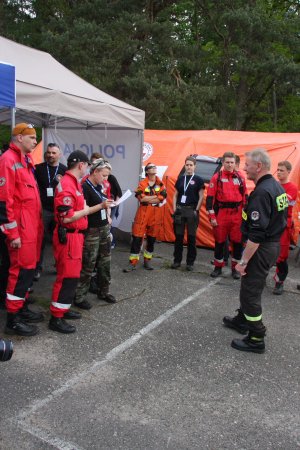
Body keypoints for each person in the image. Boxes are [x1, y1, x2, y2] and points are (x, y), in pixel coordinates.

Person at [223, 148, 288, 353]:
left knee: (251, 292)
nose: (244, 168)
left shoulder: (262, 191)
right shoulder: (275, 186)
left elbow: (257, 234)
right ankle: (242, 320)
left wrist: (242, 262)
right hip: (270, 245)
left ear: (258, 166)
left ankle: (256, 336)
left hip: (262, 247)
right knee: (248, 286)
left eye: (247, 164)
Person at [0, 123, 44, 336]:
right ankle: (13, 320)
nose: (35, 141)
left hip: (31, 228)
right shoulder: (8, 160)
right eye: (32, 137)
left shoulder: (25, 160)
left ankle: (22, 308)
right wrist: (12, 233)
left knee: (28, 272)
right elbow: (4, 201)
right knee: (19, 273)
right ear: (19, 138)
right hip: (21, 230)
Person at [49, 150, 93, 334]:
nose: (87, 169)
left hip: (75, 236)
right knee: (66, 276)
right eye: (87, 165)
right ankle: (56, 318)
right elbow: (66, 217)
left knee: (72, 275)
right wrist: (91, 210)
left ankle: (63, 308)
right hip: (68, 236)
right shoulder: (67, 183)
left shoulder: (74, 183)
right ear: (81, 165)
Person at [74, 159, 116, 310]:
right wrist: (102, 205)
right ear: (96, 172)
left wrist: (108, 207)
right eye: (104, 175)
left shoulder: (100, 186)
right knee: (88, 263)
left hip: (103, 227)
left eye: (107, 176)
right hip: (91, 230)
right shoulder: (85, 187)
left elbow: (104, 203)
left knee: (105, 261)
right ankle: (79, 296)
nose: (106, 179)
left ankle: (103, 291)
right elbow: (83, 210)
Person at [206, 151, 247, 279]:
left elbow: (245, 198)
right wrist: (212, 217)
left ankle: (235, 269)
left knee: (238, 243)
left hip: (237, 215)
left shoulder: (240, 177)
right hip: (222, 215)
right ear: (223, 163)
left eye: (232, 162)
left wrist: (245, 218)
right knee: (219, 242)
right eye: (227, 162)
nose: (230, 165)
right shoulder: (216, 178)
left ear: (235, 163)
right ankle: (218, 267)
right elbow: (209, 200)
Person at [123, 162, 167, 272]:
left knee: (151, 239)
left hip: (155, 214)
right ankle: (132, 263)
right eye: (152, 167)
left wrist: (150, 198)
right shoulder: (142, 184)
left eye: (155, 167)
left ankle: (147, 261)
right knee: (137, 238)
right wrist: (155, 197)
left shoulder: (161, 183)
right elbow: (140, 198)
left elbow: (162, 197)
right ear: (147, 171)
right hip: (143, 213)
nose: (154, 168)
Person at [34, 143, 67, 280]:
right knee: (39, 239)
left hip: (58, 211)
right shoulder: (38, 168)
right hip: (43, 210)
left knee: (59, 240)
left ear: (59, 155)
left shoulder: (64, 170)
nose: (51, 155)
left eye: (54, 153)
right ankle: (37, 267)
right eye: (49, 153)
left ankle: (58, 266)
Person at [171, 156, 205, 271]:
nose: (189, 167)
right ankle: (177, 261)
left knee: (191, 238)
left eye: (191, 165)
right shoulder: (181, 179)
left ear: (195, 166)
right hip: (180, 210)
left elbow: (201, 196)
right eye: (187, 165)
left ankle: (190, 262)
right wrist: (174, 208)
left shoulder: (199, 180)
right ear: (184, 165)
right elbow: (175, 195)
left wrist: (196, 210)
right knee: (178, 238)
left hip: (192, 211)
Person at [273, 161, 298, 295]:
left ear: (288, 171)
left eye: (282, 170)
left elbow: (283, 205)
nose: (279, 172)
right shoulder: (274, 185)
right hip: (272, 224)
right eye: (278, 170)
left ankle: (279, 282)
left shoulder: (292, 188)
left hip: (284, 225)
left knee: (281, 256)